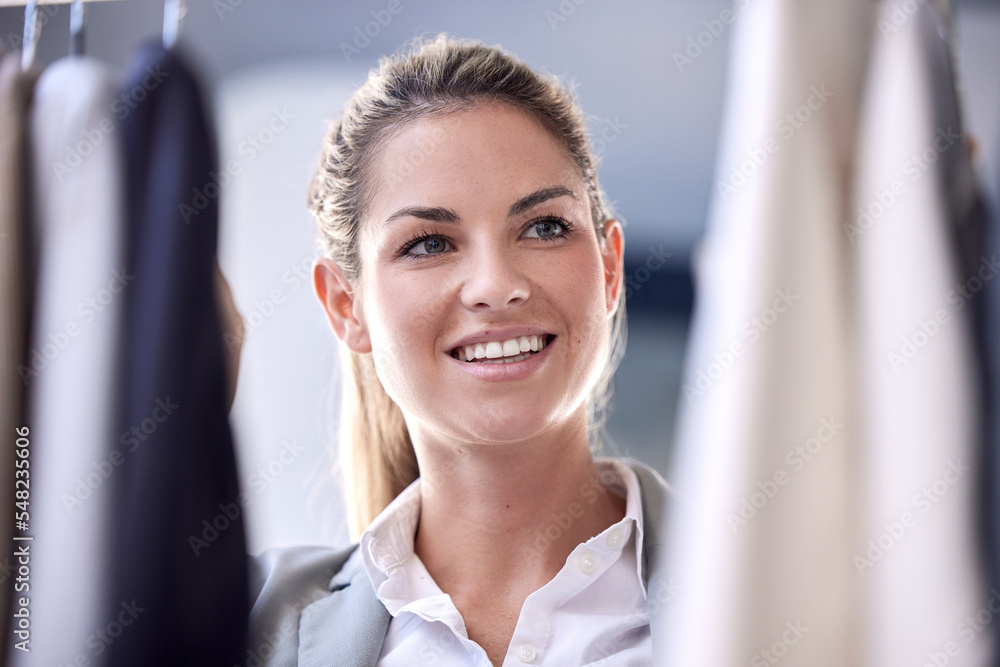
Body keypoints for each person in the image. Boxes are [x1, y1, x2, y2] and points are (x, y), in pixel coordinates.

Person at [247, 34, 672, 666]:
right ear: (346, 305)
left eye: (544, 227)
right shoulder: (243, 623)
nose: (497, 286)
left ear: (609, 268)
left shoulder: (785, 576)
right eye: (428, 244)